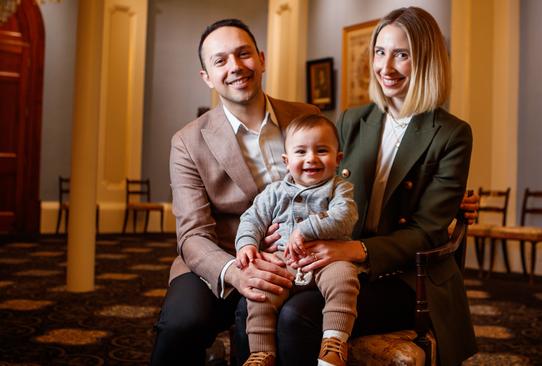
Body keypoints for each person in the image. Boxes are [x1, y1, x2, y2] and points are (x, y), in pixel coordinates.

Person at [152, 15, 478, 366]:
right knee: (186, 323)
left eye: (402, 54)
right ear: (206, 76)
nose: (386, 66)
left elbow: (339, 182)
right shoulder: (188, 140)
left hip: (341, 260)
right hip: (234, 256)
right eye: (380, 52)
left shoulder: (305, 117)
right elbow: (192, 234)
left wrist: (446, 202)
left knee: (293, 314)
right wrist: (238, 264)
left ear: (262, 59)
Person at [235, 114, 359, 366]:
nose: (311, 158)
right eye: (301, 152)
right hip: (284, 262)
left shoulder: (340, 188)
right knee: (260, 291)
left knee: (345, 278)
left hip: (327, 258)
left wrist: (305, 229)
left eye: (321, 150)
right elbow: (252, 219)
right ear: (286, 161)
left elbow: (345, 216)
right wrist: (247, 242)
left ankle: (334, 343)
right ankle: (261, 352)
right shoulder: (275, 192)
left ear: (337, 159)